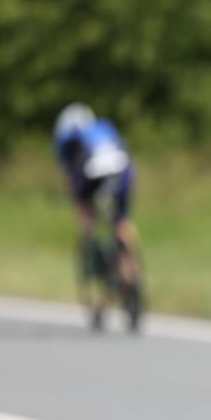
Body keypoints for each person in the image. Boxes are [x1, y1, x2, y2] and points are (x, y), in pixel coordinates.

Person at [52, 103, 141, 324]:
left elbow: (71, 176)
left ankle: (92, 243)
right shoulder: (104, 126)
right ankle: (133, 278)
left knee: (86, 215)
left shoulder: (68, 136)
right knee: (121, 222)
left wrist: (75, 198)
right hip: (123, 170)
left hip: (91, 173)